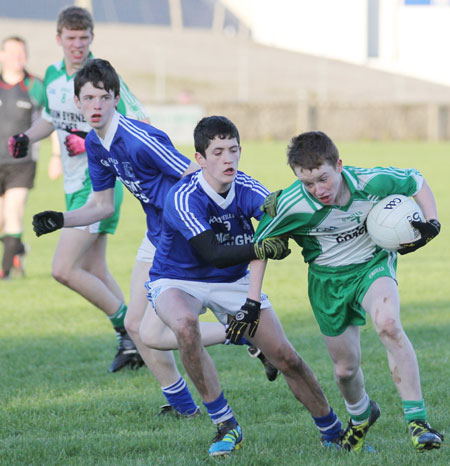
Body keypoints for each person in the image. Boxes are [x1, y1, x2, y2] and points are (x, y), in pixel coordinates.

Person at [31, 59, 282, 418]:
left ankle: (223, 369)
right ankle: (237, 341)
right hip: (157, 234)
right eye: (88, 98)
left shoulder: (139, 139)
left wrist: (218, 222)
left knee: (156, 328)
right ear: (76, 102)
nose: (96, 106)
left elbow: (194, 173)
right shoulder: (95, 144)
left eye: (103, 97)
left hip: (183, 235)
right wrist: (62, 219)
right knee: (142, 329)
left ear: (117, 98)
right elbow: (101, 205)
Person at [140, 116, 353, 457]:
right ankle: (226, 425)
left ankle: (332, 432)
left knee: (286, 357)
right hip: (178, 278)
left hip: (235, 280)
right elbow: (213, 252)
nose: (228, 159)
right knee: (183, 325)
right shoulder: (182, 196)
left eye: (234, 150)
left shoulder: (251, 189)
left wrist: (251, 301)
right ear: (200, 159)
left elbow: (271, 232)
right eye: (218, 151)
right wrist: (259, 246)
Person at [252, 130, 443, 452]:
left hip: (372, 266)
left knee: (388, 325)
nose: (318, 190)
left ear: (339, 165)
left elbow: (416, 180)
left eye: (323, 179)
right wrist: (252, 301)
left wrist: (433, 222)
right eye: (307, 183)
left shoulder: (370, 182)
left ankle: (418, 422)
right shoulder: (291, 204)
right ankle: (360, 416)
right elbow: (260, 248)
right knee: (344, 370)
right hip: (327, 283)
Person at [8, 6, 147, 372]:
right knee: (95, 269)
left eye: (83, 38)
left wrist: (92, 141)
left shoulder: (102, 76)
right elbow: (53, 120)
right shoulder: (54, 76)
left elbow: (136, 119)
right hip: (73, 185)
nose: (77, 45)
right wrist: (26, 137)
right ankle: (137, 339)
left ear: (91, 39)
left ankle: (128, 329)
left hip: (100, 185)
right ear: (59, 39)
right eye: (70, 38)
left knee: (63, 269)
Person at [0, 36, 45, 279]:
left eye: (21, 53)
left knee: (14, 211)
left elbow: (52, 120)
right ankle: (17, 251)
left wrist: (57, 156)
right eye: (12, 52)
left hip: (22, 162)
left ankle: (4, 273)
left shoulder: (35, 86)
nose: (18, 57)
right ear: (2, 55)